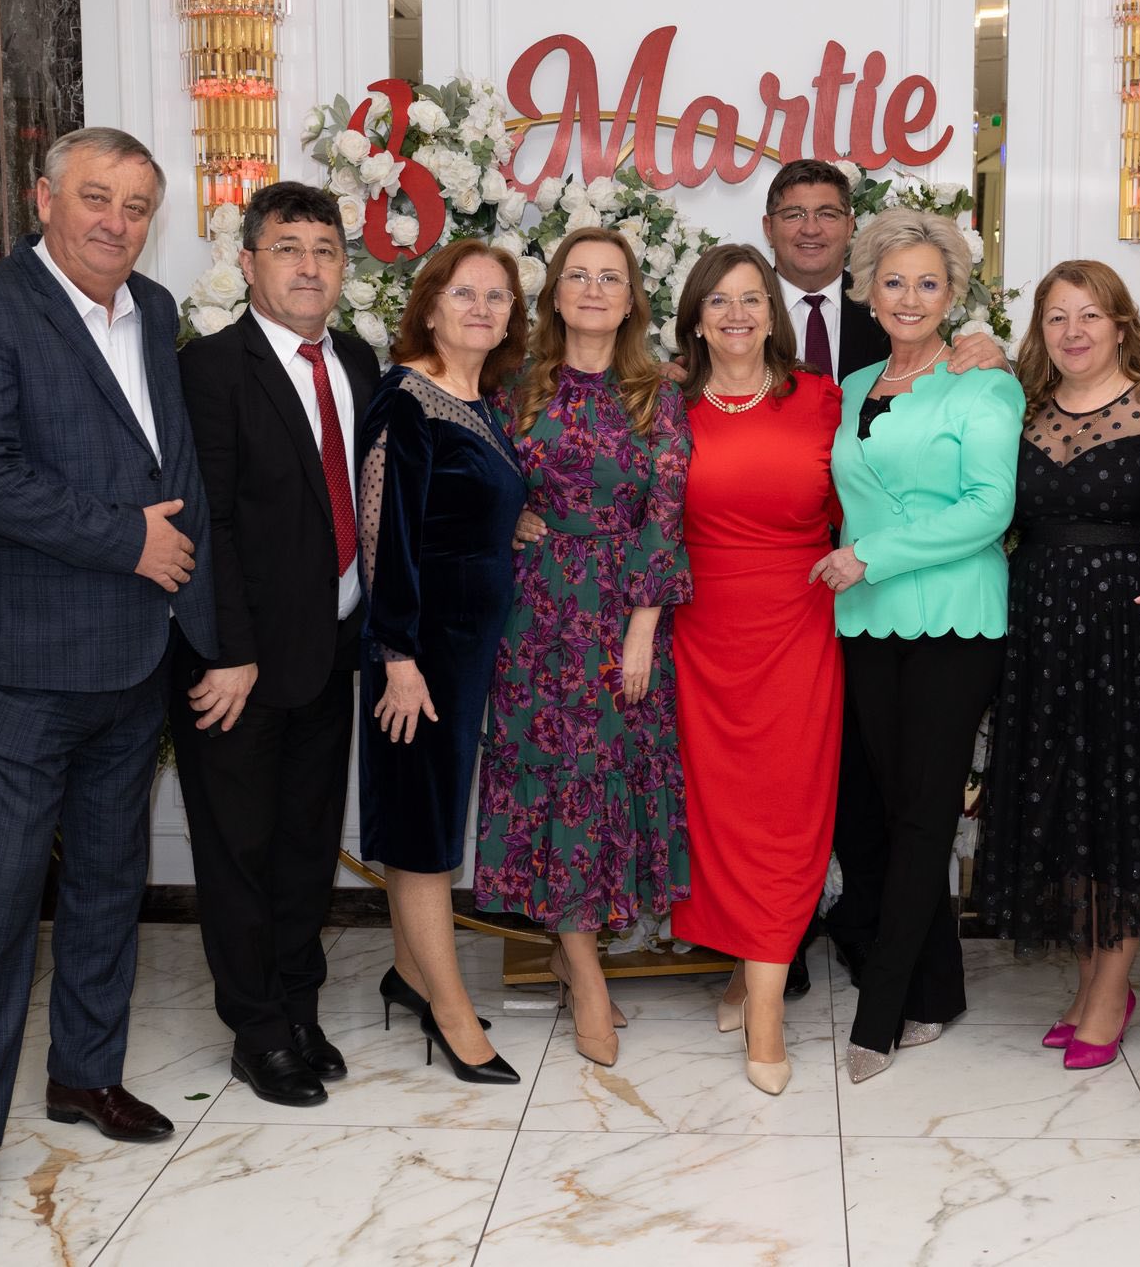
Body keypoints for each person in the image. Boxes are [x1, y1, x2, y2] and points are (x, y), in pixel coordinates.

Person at [0, 127, 216, 1239]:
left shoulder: (154, 311)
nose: (115, 222)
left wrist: (202, 625)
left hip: (133, 655)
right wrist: (126, 541)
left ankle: (85, 1073)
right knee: (0, 897)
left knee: (107, 879)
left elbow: (173, 474)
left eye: (136, 206)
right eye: (96, 198)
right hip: (23, 663)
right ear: (45, 200)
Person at [758, 159, 1008, 997]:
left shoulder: (950, 356)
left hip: (906, 590)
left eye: (828, 212)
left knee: (904, 799)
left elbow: (982, 481)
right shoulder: (751, 319)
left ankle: (887, 958)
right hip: (820, 596)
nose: (811, 228)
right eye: (794, 213)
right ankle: (794, 941)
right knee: (841, 781)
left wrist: (998, 356)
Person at [976, 260, 1140, 1072]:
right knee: (1064, 810)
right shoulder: (1022, 411)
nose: (1073, 331)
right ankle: (1092, 984)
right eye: (1056, 317)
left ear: (1122, 324)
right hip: (1040, 632)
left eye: (1090, 315)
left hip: (1134, 631)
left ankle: (1111, 991)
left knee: (1124, 809)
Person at [168, 183, 373, 1108]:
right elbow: (204, 522)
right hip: (238, 667)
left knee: (305, 847)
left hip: (331, 652)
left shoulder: (356, 361)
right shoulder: (210, 369)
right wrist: (226, 650)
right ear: (248, 263)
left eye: (325, 250)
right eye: (288, 248)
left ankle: (298, 1008)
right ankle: (256, 1030)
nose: (308, 266)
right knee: (239, 854)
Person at [812, 207, 1024, 1083]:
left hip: (955, 621)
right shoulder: (856, 383)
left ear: (953, 294)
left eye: (928, 283)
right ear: (867, 289)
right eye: (893, 281)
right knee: (895, 810)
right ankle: (940, 986)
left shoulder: (984, 384)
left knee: (926, 815)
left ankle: (882, 1012)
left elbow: (989, 509)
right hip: (866, 622)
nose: (909, 297)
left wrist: (873, 556)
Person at [474, 226, 692, 1069]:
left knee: (606, 781)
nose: (594, 290)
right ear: (555, 295)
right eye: (578, 276)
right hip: (533, 615)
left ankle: (581, 956)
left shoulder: (655, 394)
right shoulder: (514, 387)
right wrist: (509, 519)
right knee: (553, 777)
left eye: (610, 277)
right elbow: (476, 485)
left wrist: (642, 626)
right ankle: (585, 970)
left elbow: (666, 515)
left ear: (632, 299)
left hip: (624, 617)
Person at [666, 244, 842, 1096]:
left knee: (787, 812)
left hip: (798, 628)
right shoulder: (666, 407)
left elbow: (867, 502)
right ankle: (748, 970)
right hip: (701, 635)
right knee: (720, 817)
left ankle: (766, 1007)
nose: (736, 314)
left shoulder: (823, 400)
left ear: (774, 313)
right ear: (696, 319)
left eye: (751, 299)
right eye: (719, 301)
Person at [358, 239, 534, 1086]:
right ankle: (454, 1017)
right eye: (464, 293)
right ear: (429, 307)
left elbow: (461, 509)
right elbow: (384, 535)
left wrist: (514, 522)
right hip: (421, 652)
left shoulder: (480, 399)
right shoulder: (406, 400)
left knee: (423, 811)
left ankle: (408, 971)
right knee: (425, 832)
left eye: (497, 297)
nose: (481, 309)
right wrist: (398, 655)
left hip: (465, 647)